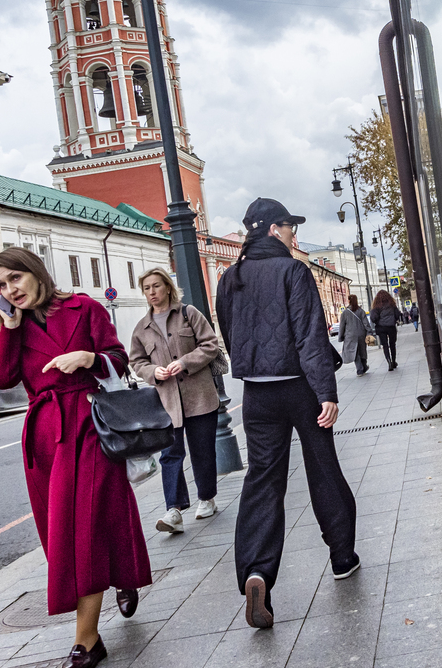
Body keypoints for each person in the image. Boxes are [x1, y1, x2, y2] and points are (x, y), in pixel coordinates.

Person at [0, 247, 151, 668]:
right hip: (46, 437)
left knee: (85, 521)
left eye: (15, 278)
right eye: (1, 285)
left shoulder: (85, 307)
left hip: (92, 424)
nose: (10, 289)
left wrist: (90, 358)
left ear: (35, 272)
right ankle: (119, 575)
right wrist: (8, 327)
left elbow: (118, 358)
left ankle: (87, 640)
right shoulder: (11, 327)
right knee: (67, 526)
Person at [214, 198, 359, 630]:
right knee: (323, 468)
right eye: (290, 227)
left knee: (262, 480)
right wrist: (326, 392)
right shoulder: (294, 271)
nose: (295, 235)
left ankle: (256, 571)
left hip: (256, 395)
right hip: (299, 388)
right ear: (274, 230)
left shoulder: (229, 278)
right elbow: (309, 335)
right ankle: (342, 556)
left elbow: (229, 331)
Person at [129, 268, 227, 535]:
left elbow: (210, 344)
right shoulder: (142, 328)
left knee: (202, 451)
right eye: (147, 288)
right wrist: (153, 372)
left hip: (199, 397)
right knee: (170, 455)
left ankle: (206, 498)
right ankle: (174, 510)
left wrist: (184, 362)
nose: (152, 292)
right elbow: (137, 362)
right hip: (166, 402)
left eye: (156, 286)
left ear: (167, 288)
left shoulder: (189, 313)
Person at [339, 294, 373, 375]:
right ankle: (364, 366)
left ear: (349, 301)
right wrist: (369, 332)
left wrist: (341, 337)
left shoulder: (345, 313)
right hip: (361, 334)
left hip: (350, 335)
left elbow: (342, 326)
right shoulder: (361, 311)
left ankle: (360, 370)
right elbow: (366, 324)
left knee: (355, 352)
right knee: (362, 351)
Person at [369, 290, 401, 370]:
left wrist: (378, 321)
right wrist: (394, 320)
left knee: (385, 345)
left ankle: (389, 362)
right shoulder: (392, 304)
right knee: (392, 344)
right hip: (391, 327)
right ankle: (394, 361)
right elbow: (397, 314)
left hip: (381, 328)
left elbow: (373, 318)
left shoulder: (376, 306)